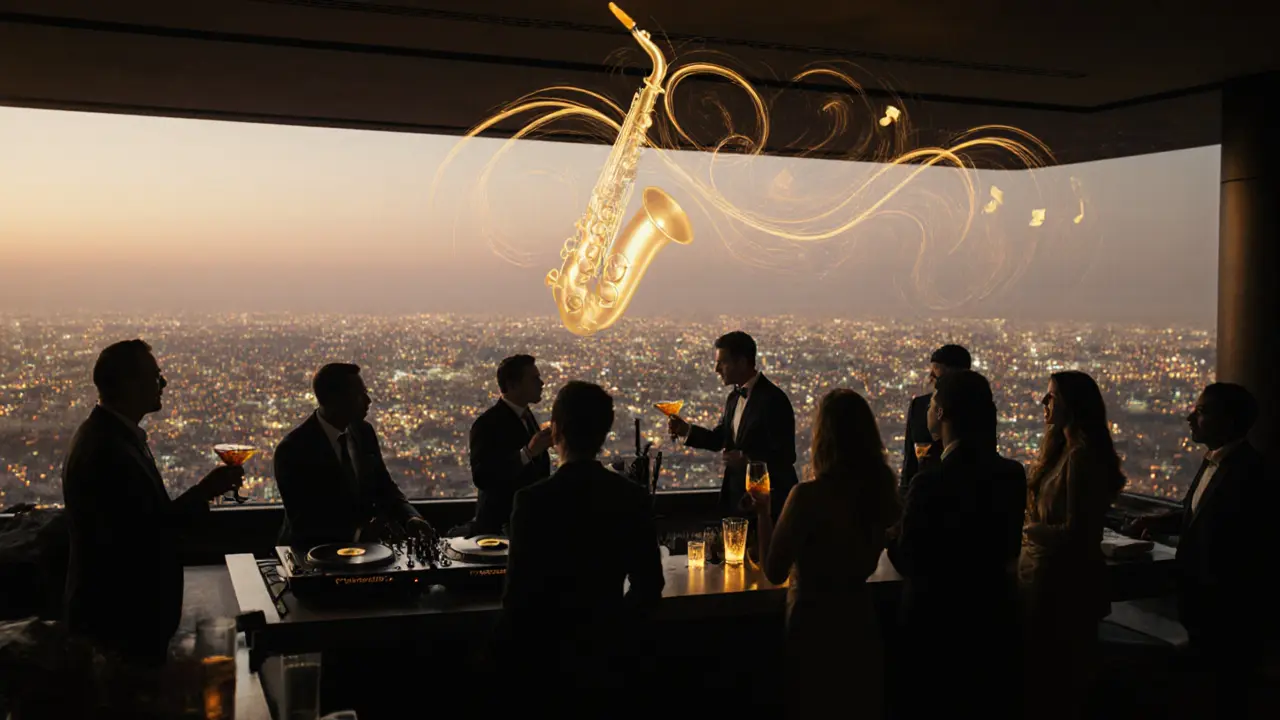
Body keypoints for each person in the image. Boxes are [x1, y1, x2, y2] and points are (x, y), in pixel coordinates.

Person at [62, 340, 243, 666]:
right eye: (155, 376)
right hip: (121, 617)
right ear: (129, 384)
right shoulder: (108, 449)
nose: (163, 383)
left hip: (121, 614)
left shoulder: (109, 436)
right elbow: (146, 532)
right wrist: (203, 491)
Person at [499, 381, 664, 708]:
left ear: (556, 431)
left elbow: (518, 598)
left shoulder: (532, 501)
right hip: (609, 669)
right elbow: (649, 584)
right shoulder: (630, 497)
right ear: (604, 433)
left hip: (546, 665)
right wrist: (614, 630)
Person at [745, 389, 901, 720]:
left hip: (813, 623)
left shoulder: (807, 497)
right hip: (859, 618)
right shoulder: (881, 491)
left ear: (822, 437)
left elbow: (774, 570)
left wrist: (764, 513)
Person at [1126, 383, 1273, 716]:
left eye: (1202, 411)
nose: (1190, 417)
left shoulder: (1249, 473)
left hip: (1227, 608)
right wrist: (1157, 523)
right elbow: (1195, 513)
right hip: (1204, 603)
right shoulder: (1217, 462)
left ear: (1229, 420)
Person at [887, 369, 1026, 717]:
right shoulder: (1011, 473)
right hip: (993, 623)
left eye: (933, 401)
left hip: (935, 631)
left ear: (943, 413)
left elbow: (909, 558)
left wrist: (890, 535)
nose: (928, 408)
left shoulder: (930, 481)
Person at [1019, 371, 1126, 720]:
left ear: (1072, 405)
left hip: (1063, 584)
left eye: (1051, 396)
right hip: (1045, 578)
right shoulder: (1060, 450)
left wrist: (1031, 529)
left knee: (1058, 680)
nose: (1043, 403)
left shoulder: (1080, 457)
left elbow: (1078, 530)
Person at [273, 363, 425, 549]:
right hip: (311, 556)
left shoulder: (363, 432)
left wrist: (410, 517)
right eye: (360, 394)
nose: (368, 401)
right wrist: (358, 534)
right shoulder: (293, 450)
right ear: (334, 399)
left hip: (364, 554)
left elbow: (384, 486)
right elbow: (304, 520)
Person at [668, 331, 798, 521]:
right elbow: (720, 438)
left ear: (742, 362)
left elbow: (786, 456)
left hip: (767, 506)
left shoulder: (774, 400)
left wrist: (749, 462)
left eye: (722, 362)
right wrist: (687, 430)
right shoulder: (734, 398)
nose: (716, 369)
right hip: (738, 502)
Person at [463, 354, 552, 537]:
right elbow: (482, 477)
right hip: (499, 532)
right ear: (513, 385)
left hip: (526, 525)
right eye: (534, 378)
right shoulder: (487, 424)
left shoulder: (527, 417)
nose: (542, 383)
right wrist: (527, 454)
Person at [901, 344, 971, 489]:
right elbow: (910, 459)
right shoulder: (919, 406)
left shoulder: (973, 406)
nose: (931, 377)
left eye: (937, 371)